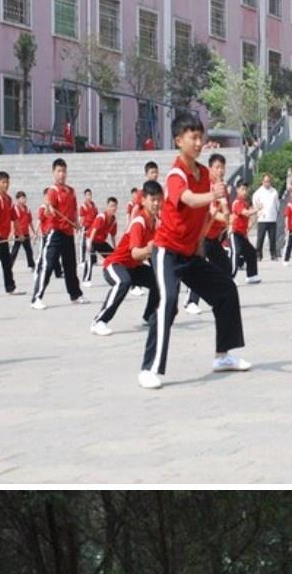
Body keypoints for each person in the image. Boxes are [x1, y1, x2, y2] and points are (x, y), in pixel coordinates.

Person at [139, 112, 250, 390]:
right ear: (179, 140)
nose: (199, 142)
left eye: (201, 137)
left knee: (226, 289)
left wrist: (209, 225)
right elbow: (187, 199)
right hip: (167, 251)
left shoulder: (202, 174)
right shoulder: (177, 173)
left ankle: (223, 356)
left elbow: (202, 212)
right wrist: (213, 196)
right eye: (193, 137)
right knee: (169, 302)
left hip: (190, 254)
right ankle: (149, 368)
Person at [89, 180, 160, 336]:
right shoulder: (139, 222)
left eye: (158, 200)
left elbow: (150, 253)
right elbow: (135, 253)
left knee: (158, 280)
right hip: (114, 265)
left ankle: (149, 316)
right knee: (123, 281)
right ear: (143, 200)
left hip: (132, 267)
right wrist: (149, 249)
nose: (156, 204)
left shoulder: (154, 223)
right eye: (152, 199)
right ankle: (99, 321)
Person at [31, 159, 82, 308]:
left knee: (70, 265)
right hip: (55, 232)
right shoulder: (52, 190)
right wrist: (49, 208)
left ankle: (75, 295)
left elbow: (74, 209)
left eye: (64, 171)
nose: (62, 174)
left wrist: (77, 222)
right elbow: (48, 209)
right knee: (48, 264)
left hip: (68, 232)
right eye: (59, 171)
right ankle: (36, 298)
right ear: (54, 173)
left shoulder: (71, 191)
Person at [252, 172, 281, 261]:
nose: (267, 183)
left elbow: (277, 204)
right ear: (262, 182)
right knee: (260, 238)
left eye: (268, 181)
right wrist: (258, 211)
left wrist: (276, 213)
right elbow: (254, 203)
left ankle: (273, 255)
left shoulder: (274, 192)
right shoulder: (258, 192)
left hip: (272, 218)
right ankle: (258, 255)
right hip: (262, 219)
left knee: (272, 238)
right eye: (265, 181)